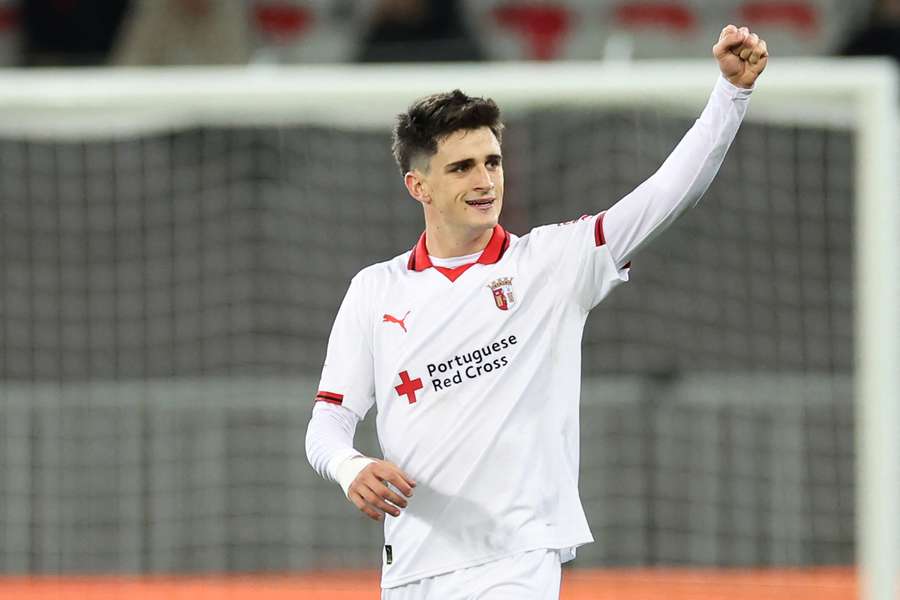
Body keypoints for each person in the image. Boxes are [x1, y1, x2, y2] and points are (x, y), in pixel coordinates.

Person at [306, 24, 768, 599]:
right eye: (461, 167)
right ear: (417, 186)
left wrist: (731, 96)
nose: (485, 181)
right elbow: (327, 423)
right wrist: (351, 467)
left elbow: (664, 194)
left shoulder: (550, 263)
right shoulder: (375, 290)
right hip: (412, 570)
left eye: (492, 162)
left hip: (515, 561)